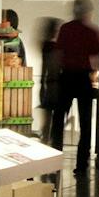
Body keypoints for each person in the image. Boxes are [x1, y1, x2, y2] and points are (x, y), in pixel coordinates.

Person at [51, 0, 99, 182]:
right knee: (85, 122)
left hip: (67, 77)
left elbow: (58, 55)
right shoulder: (90, 32)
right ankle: (81, 164)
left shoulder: (66, 29)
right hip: (83, 78)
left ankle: (55, 159)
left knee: (59, 121)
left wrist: (53, 78)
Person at [34, 14, 60, 142]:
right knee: (54, 117)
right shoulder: (54, 47)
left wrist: (42, 83)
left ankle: (45, 139)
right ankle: (50, 140)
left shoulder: (46, 46)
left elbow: (45, 68)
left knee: (48, 116)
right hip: (55, 84)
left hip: (48, 83)